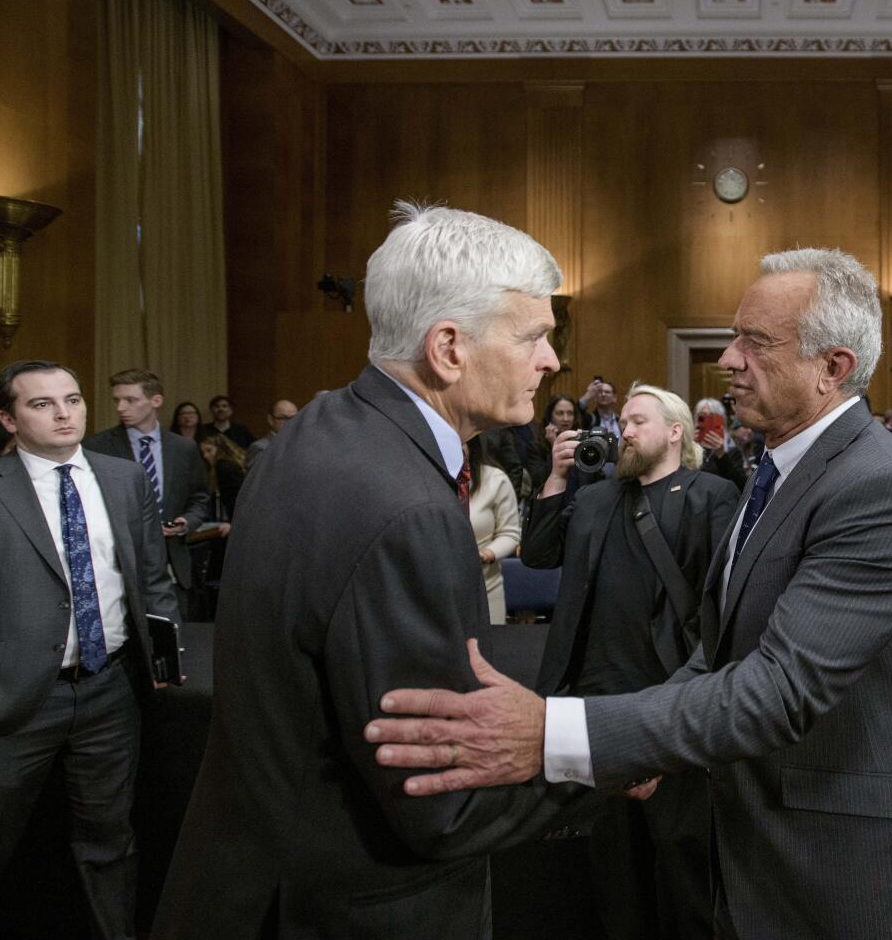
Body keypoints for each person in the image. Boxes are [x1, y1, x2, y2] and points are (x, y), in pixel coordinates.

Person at [367, 246, 892, 940]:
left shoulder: (877, 489)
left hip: (836, 877)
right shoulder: (785, 469)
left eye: (754, 342)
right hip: (750, 854)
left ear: (833, 368)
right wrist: (642, 745)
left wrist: (554, 733)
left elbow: (778, 688)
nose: (729, 359)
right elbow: (723, 650)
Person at [154, 204, 592, 938]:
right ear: (448, 348)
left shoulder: (322, 427)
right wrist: (602, 761)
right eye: (536, 336)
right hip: (355, 906)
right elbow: (439, 803)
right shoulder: (409, 510)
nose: (551, 361)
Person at [0, 360, 178, 939]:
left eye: (71, 399)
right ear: (8, 418)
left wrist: (163, 661)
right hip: (2, 703)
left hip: (109, 691)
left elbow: (152, 575)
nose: (64, 412)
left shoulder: (123, 479)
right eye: (42, 404)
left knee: (110, 845)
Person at [525, 382, 738, 940]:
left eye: (639, 420)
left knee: (680, 861)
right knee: (614, 868)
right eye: (623, 421)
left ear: (675, 432)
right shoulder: (595, 497)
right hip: (597, 698)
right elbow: (539, 554)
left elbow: (721, 601)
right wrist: (556, 477)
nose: (626, 430)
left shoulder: (710, 494)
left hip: (669, 695)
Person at [83, 368, 212, 617]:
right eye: (116, 400)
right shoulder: (97, 447)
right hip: (117, 560)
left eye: (130, 400)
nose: (121, 407)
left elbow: (199, 498)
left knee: (171, 638)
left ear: (156, 401)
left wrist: (186, 522)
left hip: (172, 558)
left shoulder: (183, 448)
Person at [467, 436, 521, 625]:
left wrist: (486, 554)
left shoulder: (495, 479)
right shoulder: (426, 477)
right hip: (434, 593)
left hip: (485, 587)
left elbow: (510, 533)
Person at [524, 392, 579, 497]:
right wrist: (554, 445)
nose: (566, 419)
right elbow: (540, 479)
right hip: (551, 501)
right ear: (550, 417)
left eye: (570, 413)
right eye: (560, 413)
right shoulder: (536, 446)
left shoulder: (580, 441)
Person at [694, 396, 747, 490]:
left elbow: (741, 486)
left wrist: (721, 455)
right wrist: (689, 445)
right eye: (702, 416)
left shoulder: (732, 451)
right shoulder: (689, 449)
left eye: (712, 417)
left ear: (721, 421)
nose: (707, 421)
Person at [245, 398, 298, 470]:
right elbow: (256, 479)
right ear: (270, 420)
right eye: (284, 418)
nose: (290, 422)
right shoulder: (260, 448)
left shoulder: (300, 444)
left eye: (294, 418)